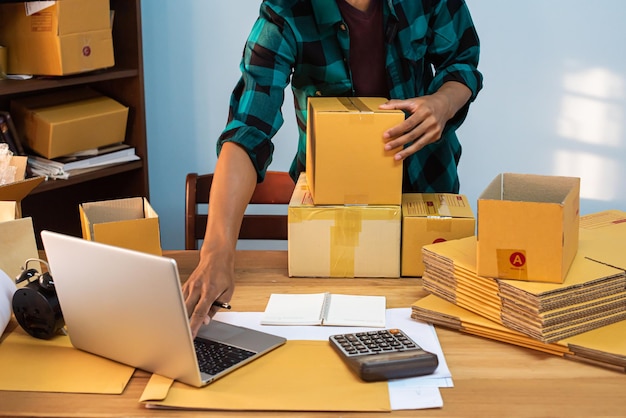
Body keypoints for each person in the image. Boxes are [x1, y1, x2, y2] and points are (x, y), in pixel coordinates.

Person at [183, 0, 483, 337]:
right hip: (332, 214)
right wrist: (216, 253)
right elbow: (249, 128)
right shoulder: (286, 11)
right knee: (329, 336)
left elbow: (462, 61)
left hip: (423, 193)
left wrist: (443, 101)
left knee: (435, 335)